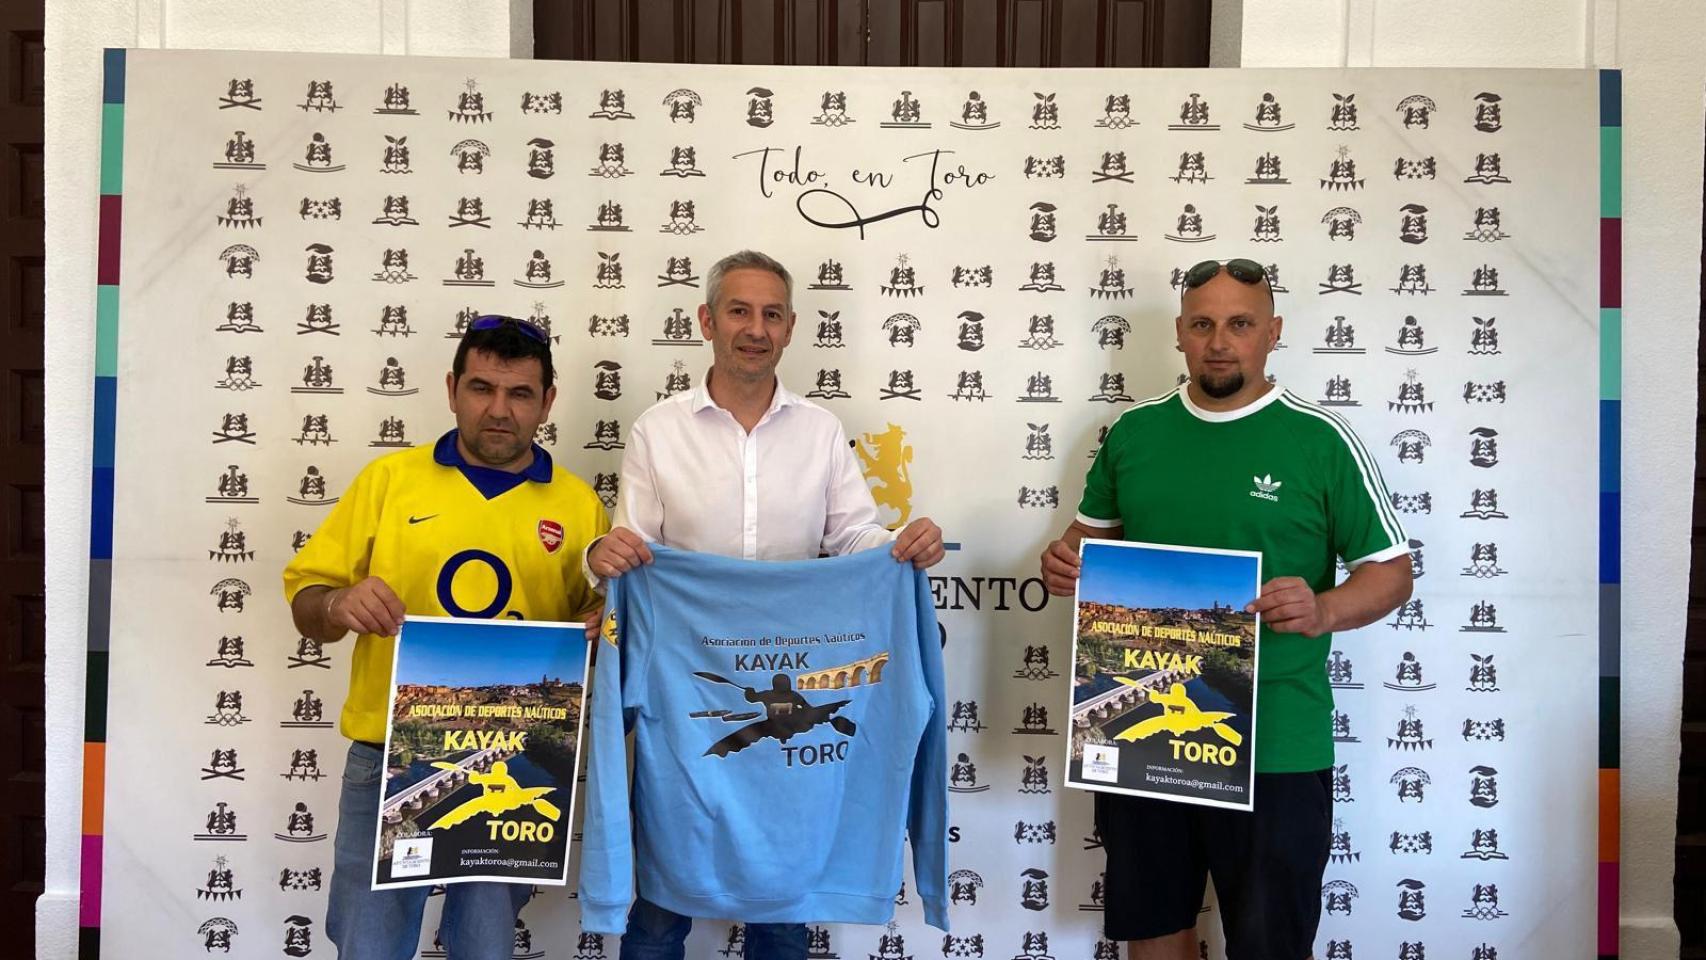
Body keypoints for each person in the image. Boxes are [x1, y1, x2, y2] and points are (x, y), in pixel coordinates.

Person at [1038, 258, 1413, 960]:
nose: (1219, 342)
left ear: (1272, 332)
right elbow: (1082, 546)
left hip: (1277, 744)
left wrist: (1324, 608)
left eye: (1240, 324)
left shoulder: (1319, 440)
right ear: (1180, 334)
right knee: (1153, 935)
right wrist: (1062, 564)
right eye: (1203, 324)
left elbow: (1392, 573)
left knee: (1270, 944)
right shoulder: (1134, 433)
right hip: (1144, 740)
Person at [585, 249, 946, 960]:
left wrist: (902, 546)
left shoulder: (820, 430)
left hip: (796, 675)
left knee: (784, 906)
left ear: (790, 328)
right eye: (740, 311)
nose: (756, 329)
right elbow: (635, 554)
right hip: (688, 696)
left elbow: (854, 537)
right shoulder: (658, 430)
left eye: (772, 314)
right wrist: (602, 557)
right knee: (660, 906)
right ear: (707, 321)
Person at [282, 316, 609, 959]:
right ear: (452, 389)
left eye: (520, 393)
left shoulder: (578, 506)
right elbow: (306, 605)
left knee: (486, 947)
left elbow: (599, 621)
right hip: (387, 754)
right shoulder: (388, 482)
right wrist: (340, 602)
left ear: (547, 401)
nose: (499, 409)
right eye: (482, 388)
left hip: (514, 752)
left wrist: (604, 627)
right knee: (368, 946)